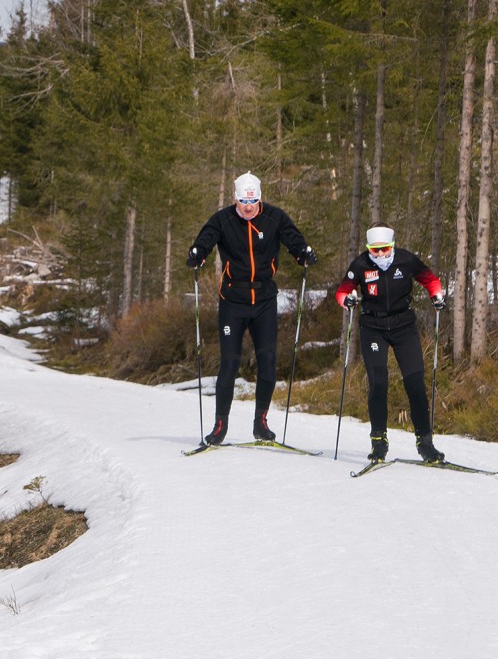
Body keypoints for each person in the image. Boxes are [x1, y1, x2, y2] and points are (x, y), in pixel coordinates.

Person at [187, 172, 315, 444]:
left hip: (264, 299)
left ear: (260, 197)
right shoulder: (223, 219)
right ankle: (220, 425)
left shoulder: (274, 217)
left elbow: (293, 238)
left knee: (267, 360)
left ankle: (261, 422)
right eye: (243, 202)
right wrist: (198, 253)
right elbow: (206, 239)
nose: (248, 207)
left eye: (253, 201)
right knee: (230, 363)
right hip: (233, 300)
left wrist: (302, 252)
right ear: (235, 199)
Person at [334, 225, 446, 464]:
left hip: (403, 326)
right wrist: (348, 300)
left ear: (392, 246)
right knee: (378, 382)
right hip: (373, 329)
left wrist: (436, 296)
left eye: (385, 249)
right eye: (374, 251)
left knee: (415, 382)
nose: (380, 255)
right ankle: (378, 442)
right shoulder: (361, 265)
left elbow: (430, 280)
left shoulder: (406, 260)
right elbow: (342, 291)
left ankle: (425, 443)